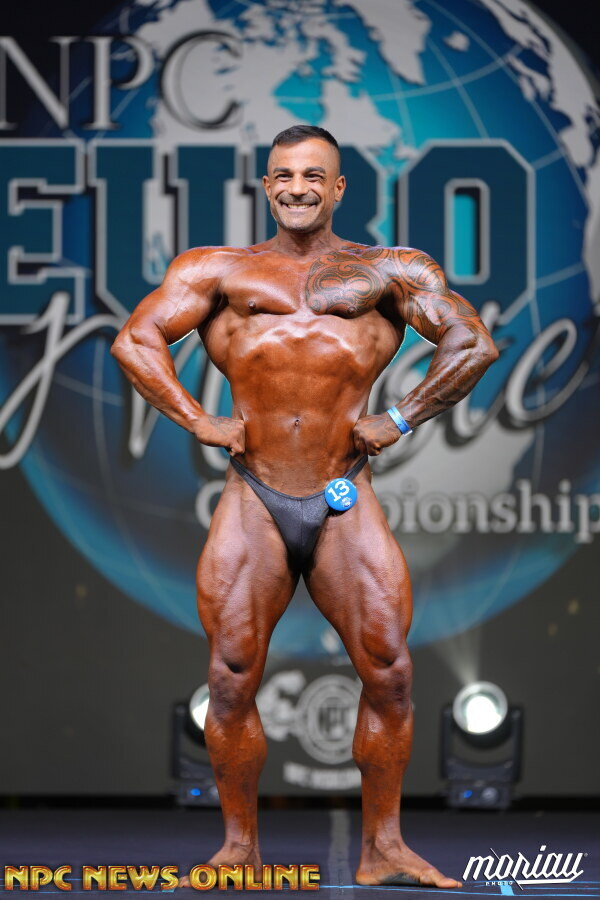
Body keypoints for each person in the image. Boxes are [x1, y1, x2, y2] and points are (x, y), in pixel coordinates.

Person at [111, 125, 498, 888]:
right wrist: (196, 418)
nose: (298, 188)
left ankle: (384, 847)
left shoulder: (389, 271)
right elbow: (136, 340)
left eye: (314, 176)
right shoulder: (217, 270)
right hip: (252, 496)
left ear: (339, 187)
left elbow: (472, 343)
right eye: (284, 175)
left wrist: (402, 416)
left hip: (343, 495)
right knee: (229, 678)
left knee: (389, 673)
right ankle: (239, 850)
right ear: (266, 185)